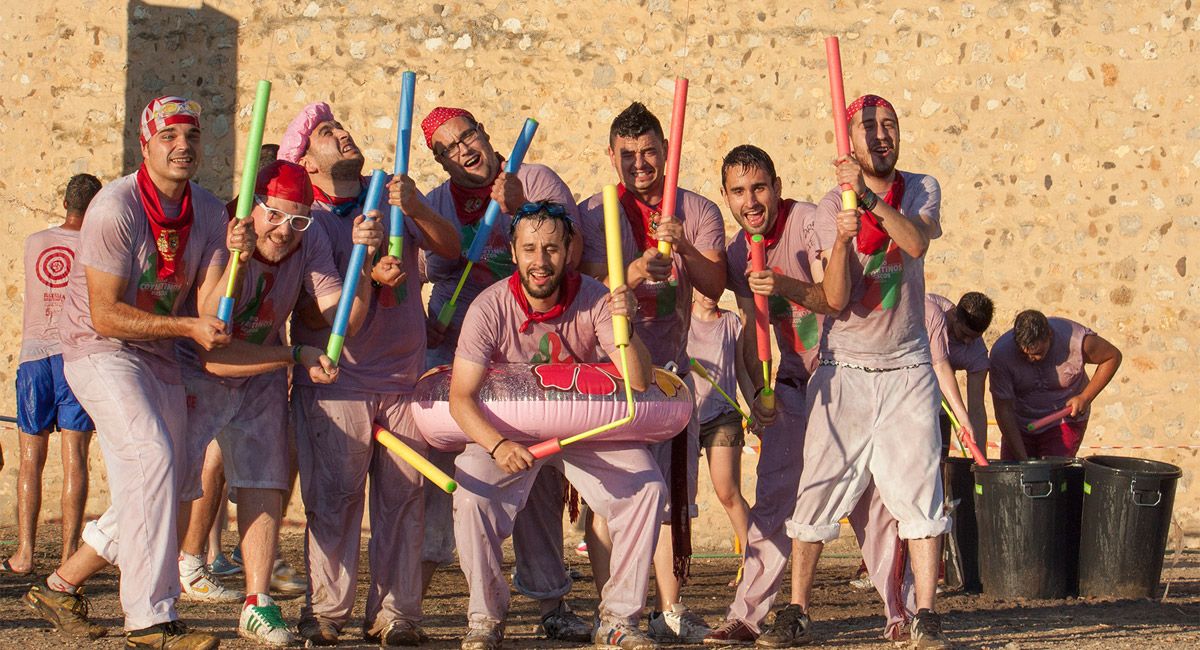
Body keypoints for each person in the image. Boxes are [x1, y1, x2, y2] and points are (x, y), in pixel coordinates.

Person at [23, 96, 253, 649]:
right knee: (152, 457)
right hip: (99, 349)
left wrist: (233, 259)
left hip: (160, 355)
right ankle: (150, 620)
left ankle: (61, 585)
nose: (183, 146)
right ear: (145, 145)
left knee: (166, 485)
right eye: (169, 136)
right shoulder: (114, 207)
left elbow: (210, 304)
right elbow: (105, 314)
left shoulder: (209, 211)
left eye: (191, 137)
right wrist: (189, 329)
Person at [704, 145, 915, 646]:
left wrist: (782, 282)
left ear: (777, 185)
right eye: (738, 191)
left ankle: (901, 613)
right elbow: (752, 325)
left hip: (846, 380)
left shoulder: (811, 220)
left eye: (759, 187)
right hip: (794, 391)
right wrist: (757, 389)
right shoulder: (738, 253)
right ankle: (748, 615)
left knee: (873, 502)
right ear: (726, 197)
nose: (750, 200)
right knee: (774, 501)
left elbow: (834, 294)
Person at [173, 160, 382, 645]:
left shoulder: (306, 242)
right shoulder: (222, 232)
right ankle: (80, 580)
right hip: (197, 370)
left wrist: (362, 262)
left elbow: (343, 319)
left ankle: (257, 602)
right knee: (168, 482)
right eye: (276, 215)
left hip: (266, 367)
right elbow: (215, 342)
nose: (286, 230)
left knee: (264, 482)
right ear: (254, 208)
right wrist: (237, 261)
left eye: (299, 219)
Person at [280, 101, 461, 646]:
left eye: (343, 125)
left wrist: (419, 210)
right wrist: (372, 278)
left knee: (404, 499)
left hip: (404, 377)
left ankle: (396, 615)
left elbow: (451, 248)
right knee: (334, 500)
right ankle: (326, 613)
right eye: (327, 132)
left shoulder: (390, 193)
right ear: (307, 162)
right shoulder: (306, 223)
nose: (343, 133)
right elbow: (337, 319)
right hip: (339, 380)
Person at [448, 202, 663, 650]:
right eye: (529, 249)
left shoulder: (593, 298)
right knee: (472, 498)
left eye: (550, 248)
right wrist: (497, 445)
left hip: (582, 427)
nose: (539, 261)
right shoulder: (488, 308)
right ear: (513, 250)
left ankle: (619, 619)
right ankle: (485, 618)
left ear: (568, 251)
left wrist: (627, 322)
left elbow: (639, 379)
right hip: (510, 429)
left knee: (647, 488)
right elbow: (461, 397)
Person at [786, 95, 952, 648]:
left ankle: (924, 613)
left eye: (891, 126)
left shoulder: (921, 188)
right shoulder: (827, 206)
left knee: (920, 492)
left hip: (907, 368)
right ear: (850, 142)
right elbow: (833, 300)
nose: (882, 136)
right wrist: (841, 234)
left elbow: (915, 241)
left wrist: (874, 204)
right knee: (818, 491)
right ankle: (797, 610)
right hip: (845, 371)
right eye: (870, 128)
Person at [419, 106, 591, 642]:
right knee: (464, 486)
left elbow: (576, 253)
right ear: (440, 160)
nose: (464, 149)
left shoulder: (534, 178)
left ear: (486, 134)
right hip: (459, 358)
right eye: (449, 147)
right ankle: (470, 610)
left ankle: (550, 600)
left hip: (534, 359)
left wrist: (522, 208)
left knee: (540, 483)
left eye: (468, 135)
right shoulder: (437, 204)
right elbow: (428, 267)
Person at [577, 101, 727, 644]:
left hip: (670, 375)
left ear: (667, 152)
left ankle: (670, 609)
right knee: (610, 497)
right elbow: (578, 275)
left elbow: (714, 283)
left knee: (662, 498)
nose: (640, 164)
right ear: (611, 156)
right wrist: (635, 268)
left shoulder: (699, 209)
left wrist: (682, 242)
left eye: (650, 154)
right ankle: (608, 609)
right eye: (628, 155)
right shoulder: (594, 212)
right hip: (609, 375)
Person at [4, 174, 102, 577]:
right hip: (75, 357)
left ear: (64, 202)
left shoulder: (33, 243)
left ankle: (24, 553)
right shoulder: (96, 245)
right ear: (95, 207)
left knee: (30, 460)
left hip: (33, 358)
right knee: (75, 458)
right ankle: (67, 555)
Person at [989, 309, 1122, 460]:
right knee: (1013, 476)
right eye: (1024, 354)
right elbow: (1003, 410)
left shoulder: (1077, 341)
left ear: (1049, 336)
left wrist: (1085, 397)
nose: (1032, 359)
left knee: (1052, 476)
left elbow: (1112, 357)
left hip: (1063, 422)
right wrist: (1023, 461)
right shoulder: (1001, 355)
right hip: (1020, 425)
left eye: (1038, 353)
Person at [685, 289, 751, 570]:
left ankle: (754, 566)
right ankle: (676, 568)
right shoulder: (678, 318)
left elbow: (744, 370)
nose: (710, 293)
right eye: (703, 287)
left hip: (723, 416)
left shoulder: (732, 323)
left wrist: (755, 405)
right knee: (682, 499)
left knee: (728, 492)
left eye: (715, 286)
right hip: (683, 416)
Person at [926, 292, 994, 452]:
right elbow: (940, 366)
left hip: (940, 408)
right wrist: (963, 418)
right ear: (955, 315)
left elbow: (977, 408)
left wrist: (981, 458)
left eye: (974, 337)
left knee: (939, 464)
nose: (967, 342)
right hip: (907, 403)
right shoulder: (931, 312)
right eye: (964, 334)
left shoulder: (976, 352)